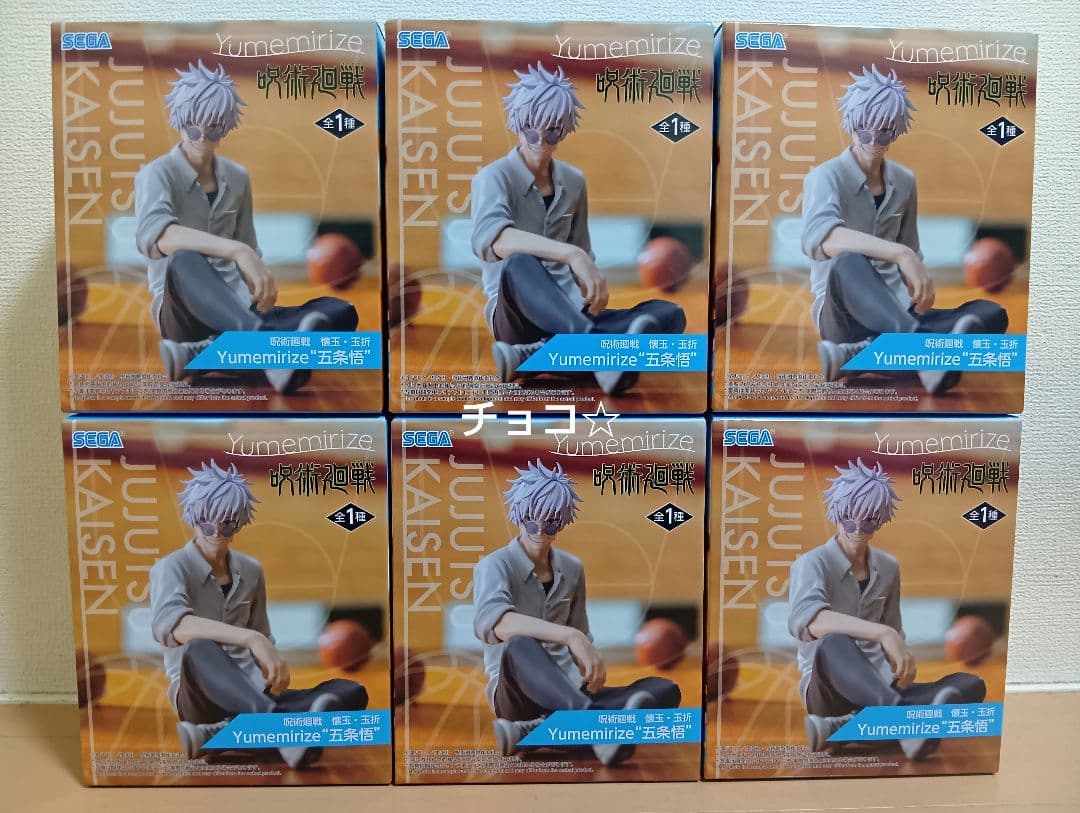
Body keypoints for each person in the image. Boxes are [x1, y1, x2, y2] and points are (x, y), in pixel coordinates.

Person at [134, 61, 358, 394]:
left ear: (225, 127)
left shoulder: (237, 177)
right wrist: (237, 251)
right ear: (179, 120)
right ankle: (264, 349)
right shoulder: (157, 174)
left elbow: (248, 246)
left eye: (213, 127)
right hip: (183, 317)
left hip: (238, 311)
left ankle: (203, 354)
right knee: (184, 260)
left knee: (338, 312)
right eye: (193, 127)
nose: (202, 137)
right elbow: (159, 236)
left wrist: (257, 281)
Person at [470, 62, 687, 395]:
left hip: (570, 313)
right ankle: (596, 353)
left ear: (564, 130)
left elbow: (582, 249)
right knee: (519, 264)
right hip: (515, 319)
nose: (539, 140)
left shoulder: (573, 181)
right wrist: (570, 254)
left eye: (551, 131)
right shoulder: (494, 177)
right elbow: (493, 239)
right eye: (530, 129)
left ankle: (536, 356)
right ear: (516, 123)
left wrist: (590, 285)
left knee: (669, 314)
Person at [801, 65, 1008, 394]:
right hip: (843, 319)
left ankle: (859, 356)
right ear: (851, 124)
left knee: (991, 314)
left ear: (896, 132)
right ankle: (920, 352)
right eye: (864, 132)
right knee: (848, 262)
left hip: (897, 312)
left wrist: (916, 286)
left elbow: (911, 248)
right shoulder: (826, 177)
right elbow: (822, 238)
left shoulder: (904, 181)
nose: (873, 141)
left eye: (884, 133)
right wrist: (900, 253)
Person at [149, 460, 368, 767]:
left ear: (239, 524)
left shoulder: (251, 570)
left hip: (252, 694)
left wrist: (271, 669)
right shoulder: (171, 568)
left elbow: (262, 634)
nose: (215, 533)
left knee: (351, 692)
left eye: (227, 524)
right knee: (199, 648)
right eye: (206, 523)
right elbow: (174, 626)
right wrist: (251, 639)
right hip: (199, 700)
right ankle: (278, 729)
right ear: (192, 518)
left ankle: (221, 734)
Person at [472, 459, 682, 766]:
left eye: (551, 522)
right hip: (516, 697)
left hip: (568, 692)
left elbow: (581, 632)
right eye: (531, 521)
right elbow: (495, 623)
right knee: (519, 645)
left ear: (562, 521)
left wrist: (588, 665)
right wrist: (570, 636)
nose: (539, 530)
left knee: (664, 690)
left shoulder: (572, 568)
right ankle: (592, 727)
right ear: (517, 515)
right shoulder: (495, 565)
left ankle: (537, 731)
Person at [788, 458, 986, 761]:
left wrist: (898, 659)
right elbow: (809, 621)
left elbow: (894, 628)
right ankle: (900, 721)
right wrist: (882, 633)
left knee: (969, 685)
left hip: (881, 687)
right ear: (836, 513)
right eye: (848, 519)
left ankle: (845, 727)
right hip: (828, 693)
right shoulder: (812, 563)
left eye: (868, 521)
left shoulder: (888, 566)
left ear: (880, 520)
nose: (857, 529)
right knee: (833, 643)